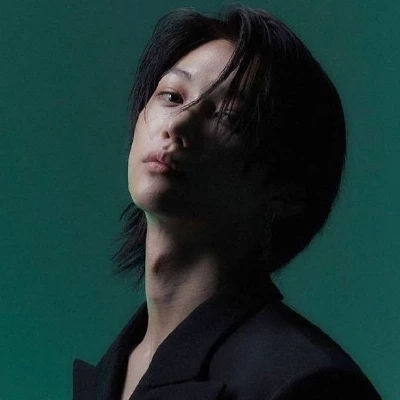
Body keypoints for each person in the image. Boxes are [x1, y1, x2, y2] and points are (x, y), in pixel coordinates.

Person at [73, 5, 382, 400]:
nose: (178, 124)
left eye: (230, 117)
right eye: (171, 96)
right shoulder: (110, 371)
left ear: (287, 190)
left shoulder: (309, 382)